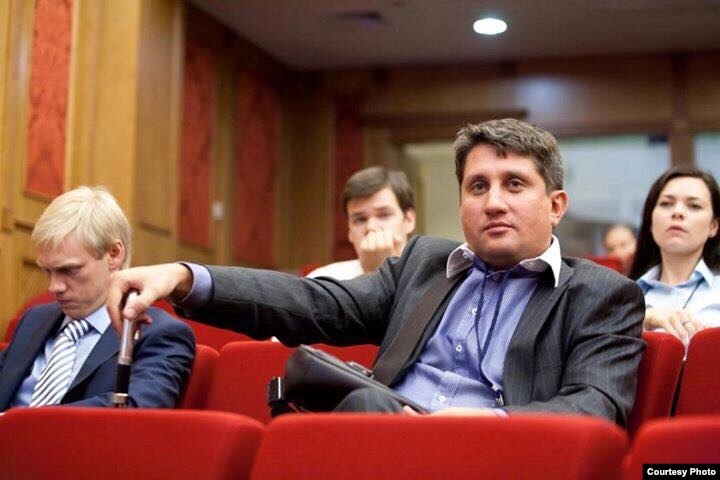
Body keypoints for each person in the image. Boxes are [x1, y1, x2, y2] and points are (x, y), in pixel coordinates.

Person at [108, 119, 645, 425]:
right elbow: (313, 302)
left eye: (515, 185)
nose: (494, 202)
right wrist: (185, 277)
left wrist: (486, 423)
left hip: (495, 457)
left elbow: (596, 406)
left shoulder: (601, 293)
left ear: (556, 205)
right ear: (461, 202)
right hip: (378, 435)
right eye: (478, 186)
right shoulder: (424, 264)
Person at [0, 186, 195, 411]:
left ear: (114, 254)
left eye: (69, 270)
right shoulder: (34, 319)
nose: (54, 287)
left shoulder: (160, 334)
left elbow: (134, 410)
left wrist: (23, 423)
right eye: (47, 270)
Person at [629, 167, 720, 344]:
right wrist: (642, 318)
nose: (677, 212)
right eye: (666, 204)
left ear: (713, 226)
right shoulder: (621, 296)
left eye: (694, 206)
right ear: (650, 221)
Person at [307, 166, 416, 280]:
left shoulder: (427, 277)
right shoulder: (323, 279)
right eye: (360, 219)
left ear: (409, 220)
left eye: (384, 215)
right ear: (350, 232)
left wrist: (379, 271)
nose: (371, 227)